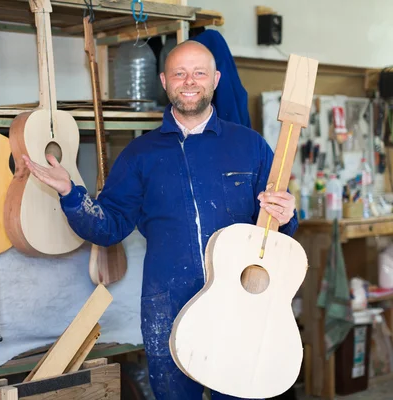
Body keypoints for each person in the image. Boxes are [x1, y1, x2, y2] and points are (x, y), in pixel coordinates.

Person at [20, 40, 298, 400]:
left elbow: (278, 226)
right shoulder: (139, 155)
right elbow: (108, 227)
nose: (189, 81)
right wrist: (70, 194)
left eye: (199, 72)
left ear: (215, 79)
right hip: (169, 305)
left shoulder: (251, 145)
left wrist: (288, 215)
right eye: (179, 73)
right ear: (165, 81)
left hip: (242, 303)